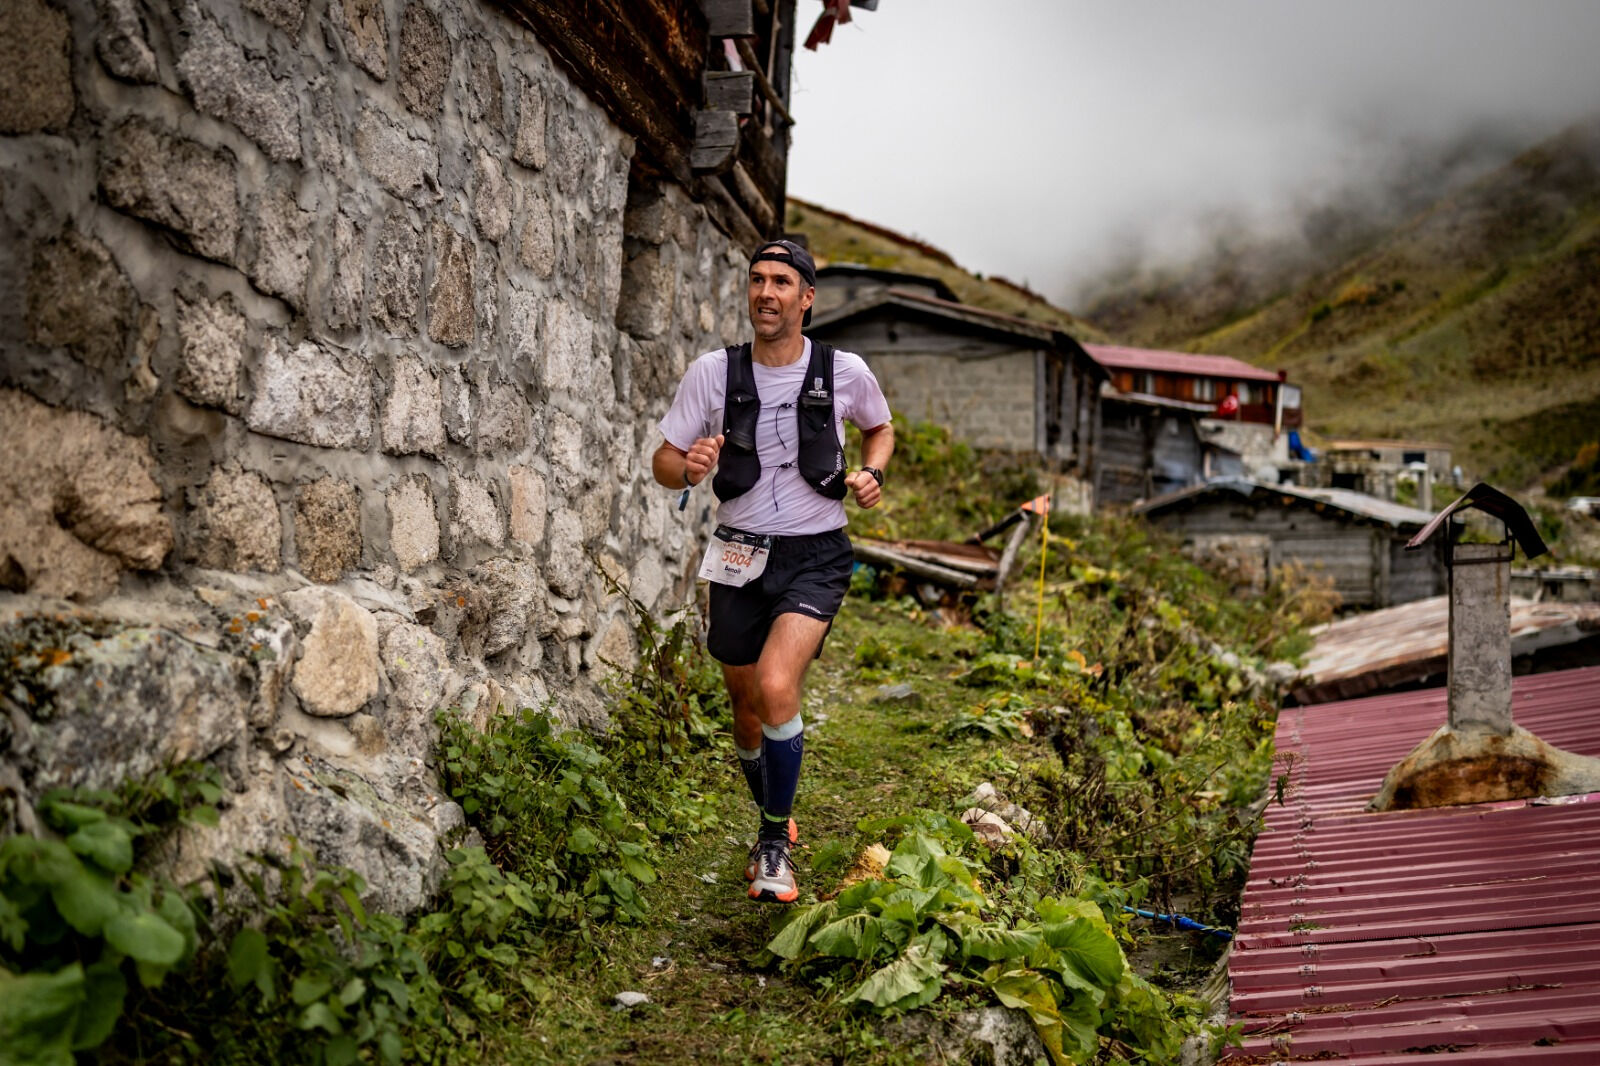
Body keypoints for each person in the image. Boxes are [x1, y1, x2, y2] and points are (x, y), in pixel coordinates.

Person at [651, 240, 894, 904]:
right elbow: (663, 462)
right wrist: (690, 467)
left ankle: (773, 848)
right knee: (744, 706)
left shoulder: (843, 370)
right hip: (737, 552)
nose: (766, 292)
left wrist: (871, 472)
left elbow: (880, 427)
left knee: (776, 684)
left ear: (806, 297)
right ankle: (775, 812)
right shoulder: (712, 373)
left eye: (782, 282)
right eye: (757, 280)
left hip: (816, 554)